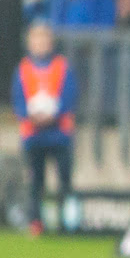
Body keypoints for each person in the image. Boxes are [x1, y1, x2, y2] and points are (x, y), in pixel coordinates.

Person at [12, 22, 77, 236]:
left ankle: (66, 222)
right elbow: (18, 99)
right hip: (33, 134)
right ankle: (35, 222)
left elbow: (69, 97)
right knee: (35, 181)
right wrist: (31, 116)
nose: (40, 44)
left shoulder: (62, 66)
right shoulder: (23, 68)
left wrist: (53, 115)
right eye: (36, 40)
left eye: (44, 40)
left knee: (64, 180)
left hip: (59, 133)